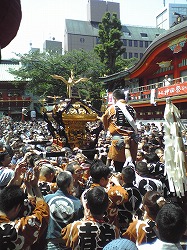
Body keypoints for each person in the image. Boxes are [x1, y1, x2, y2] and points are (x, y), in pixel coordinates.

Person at [0, 167, 50, 250]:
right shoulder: (11, 232)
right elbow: (42, 214)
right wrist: (35, 187)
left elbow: (4, 197)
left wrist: (15, 180)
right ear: (17, 208)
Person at [81, 159, 128, 227]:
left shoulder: (85, 193)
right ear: (102, 180)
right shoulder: (108, 192)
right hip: (107, 229)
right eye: (108, 177)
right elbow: (125, 196)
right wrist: (117, 183)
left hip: (89, 227)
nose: (109, 179)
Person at [100, 89, 138, 172]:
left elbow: (105, 122)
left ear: (114, 98)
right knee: (131, 168)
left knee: (119, 169)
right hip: (132, 141)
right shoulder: (132, 109)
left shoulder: (111, 109)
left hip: (119, 142)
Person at [44, 170, 83, 249]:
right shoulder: (77, 203)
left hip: (51, 243)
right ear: (70, 185)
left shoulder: (46, 199)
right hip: (68, 243)